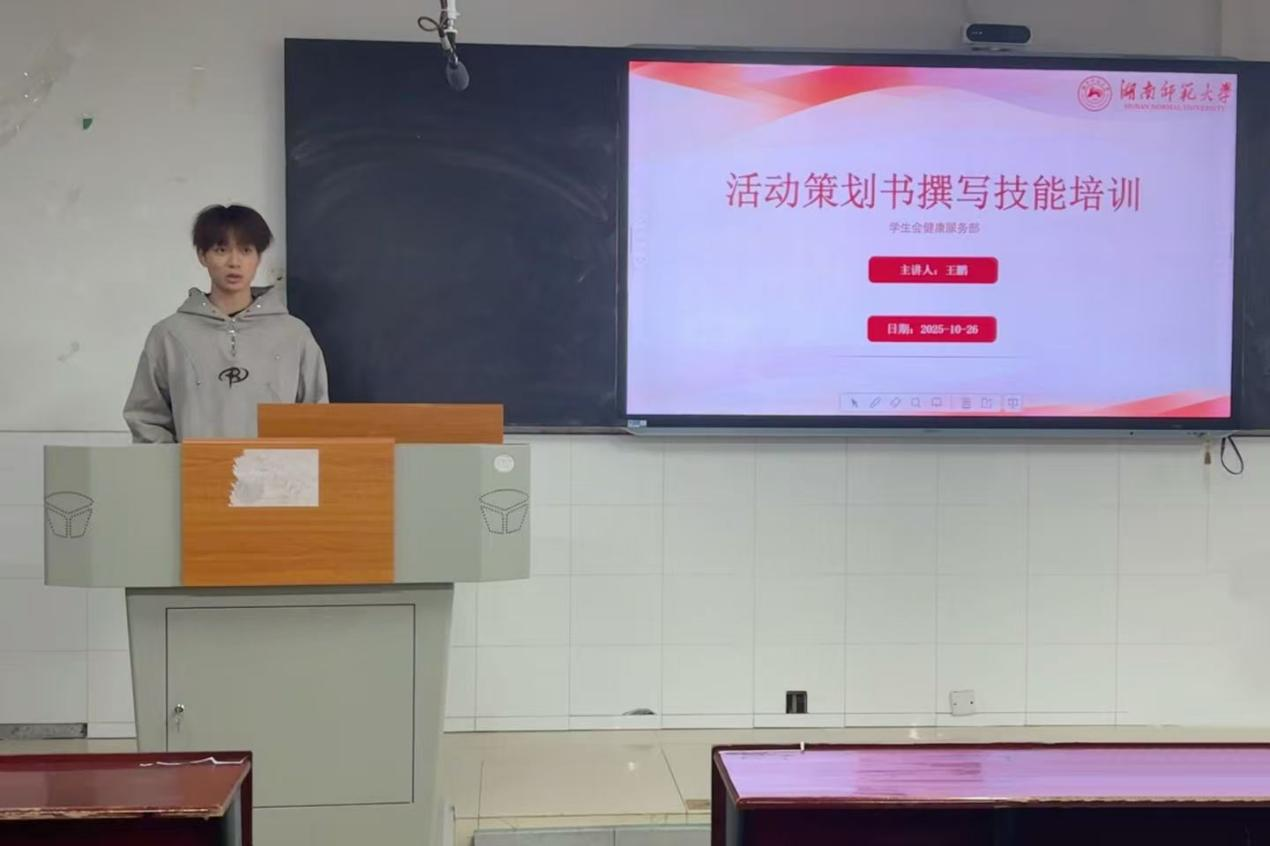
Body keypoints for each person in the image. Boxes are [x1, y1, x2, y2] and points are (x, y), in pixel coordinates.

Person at [123, 204, 328, 443]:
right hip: (194, 467)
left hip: (275, 468)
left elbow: (316, 418)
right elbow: (146, 418)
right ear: (202, 256)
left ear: (259, 257)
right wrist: (177, 462)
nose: (234, 262)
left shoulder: (294, 334)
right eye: (221, 250)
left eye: (246, 250)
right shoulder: (169, 335)